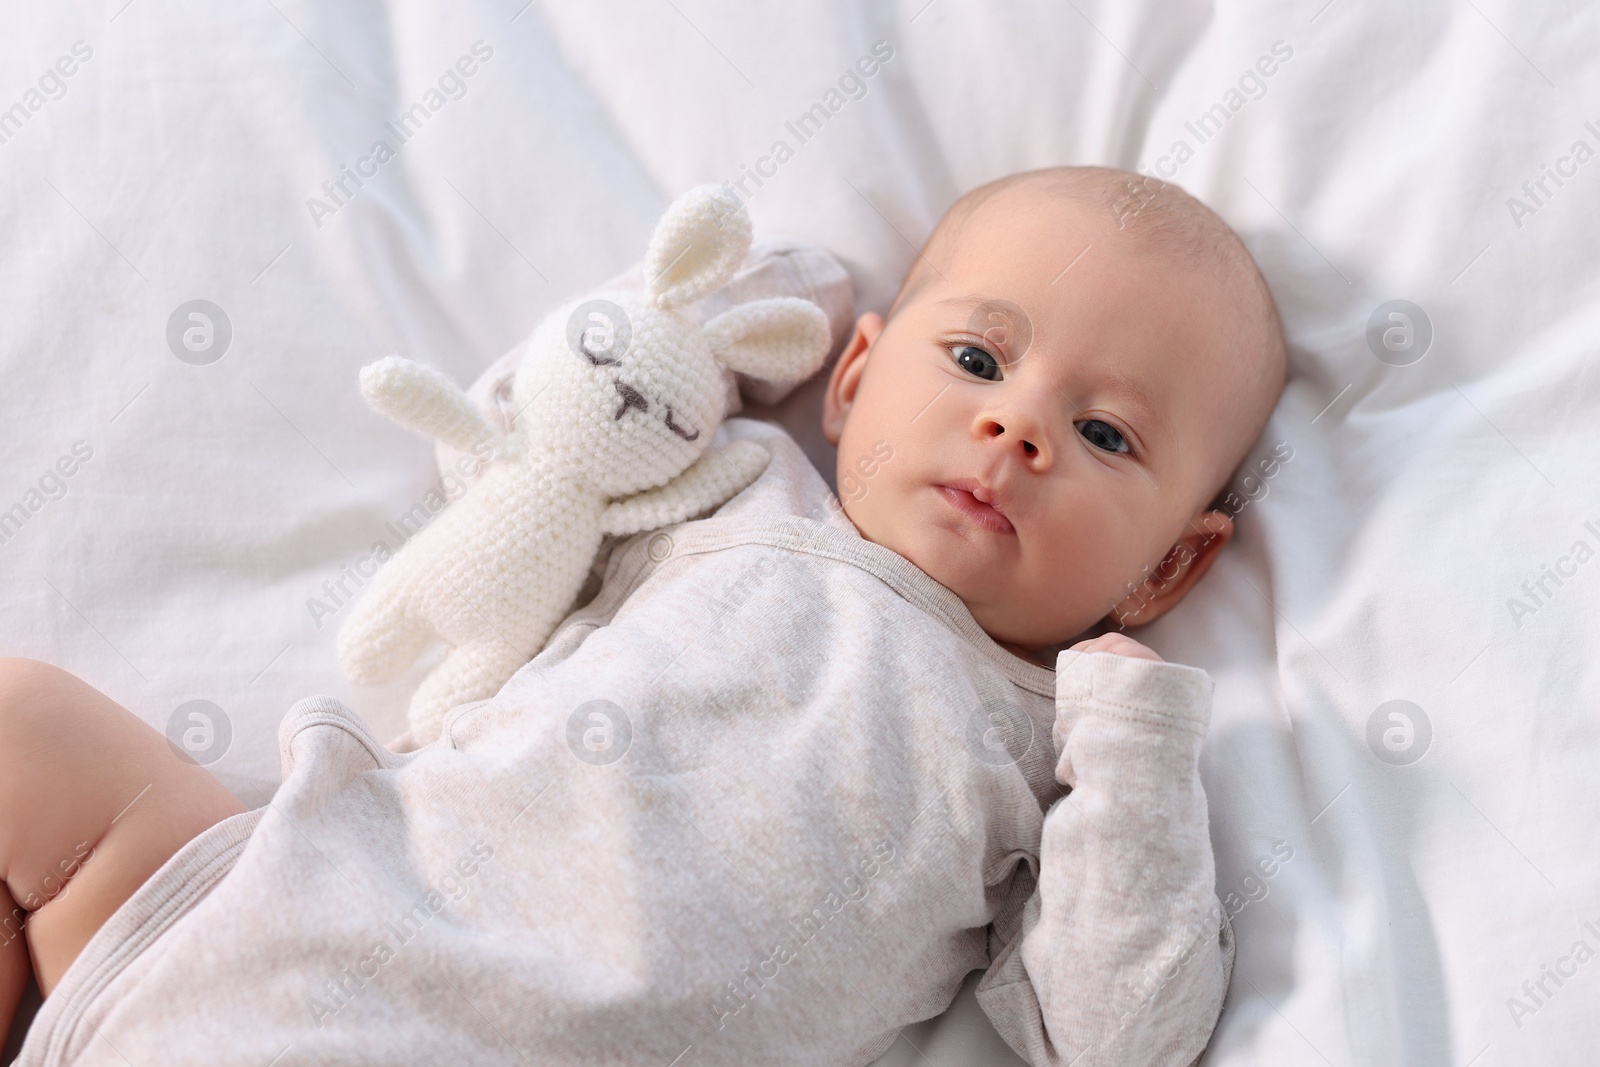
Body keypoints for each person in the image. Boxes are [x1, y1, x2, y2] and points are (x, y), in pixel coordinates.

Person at [1, 166, 1287, 1066]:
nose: (1016, 426)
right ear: (850, 376)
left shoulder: (1043, 750)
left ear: (1171, 567)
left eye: (1105, 430)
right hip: (296, 907)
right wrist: (730, 314)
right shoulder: (739, 488)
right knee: (24, 728)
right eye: (973, 360)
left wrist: (1133, 741)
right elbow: (528, 431)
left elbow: (1122, 1034)